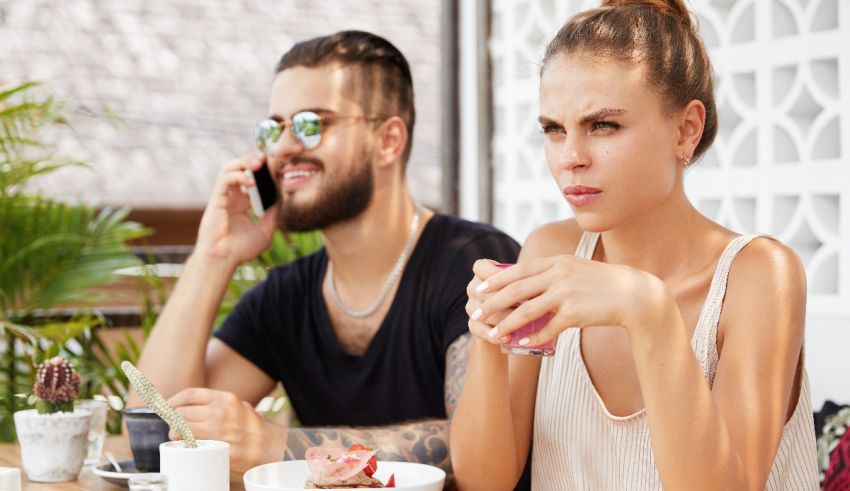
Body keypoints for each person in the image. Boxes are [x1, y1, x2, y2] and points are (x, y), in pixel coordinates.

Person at [450, 1, 818, 489]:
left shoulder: (759, 275)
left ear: (686, 130)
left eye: (604, 125)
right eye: (553, 129)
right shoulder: (550, 252)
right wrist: (488, 339)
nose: (570, 158)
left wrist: (646, 309)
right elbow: (485, 481)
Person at [128, 30, 520, 476]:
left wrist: (277, 444)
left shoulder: (475, 262)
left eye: (311, 124)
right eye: (273, 129)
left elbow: (482, 456)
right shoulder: (285, 296)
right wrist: (210, 260)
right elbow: (154, 433)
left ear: (388, 140)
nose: (285, 147)